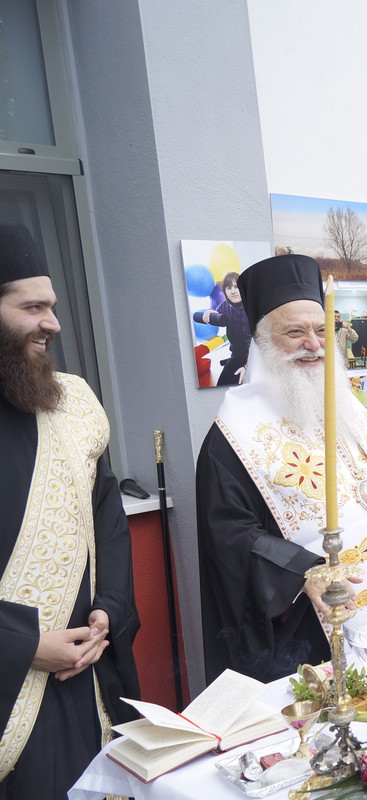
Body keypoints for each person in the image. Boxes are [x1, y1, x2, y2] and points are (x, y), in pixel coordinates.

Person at [195, 254, 367, 684]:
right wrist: (301, 571)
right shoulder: (232, 438)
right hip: (314, 631)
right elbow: (230, 536)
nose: (314, 344)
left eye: (321, 331)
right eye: (295, 332)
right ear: (261, 340)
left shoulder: (347, 407)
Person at [0, 223, 140, 797]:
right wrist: (22, 648)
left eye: (53, 307)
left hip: (85, 669)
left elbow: (107, 520)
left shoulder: (72, 403)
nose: (53, 323)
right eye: (33, 308)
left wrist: (109, 610)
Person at [193, 271, 252, 385]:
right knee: (222, 385)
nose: (233, 291)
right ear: (225, 291)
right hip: (237, 356)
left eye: (236, 287)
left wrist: (247, 366)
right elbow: (216, 313)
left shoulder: (252, 306)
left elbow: (262, 343)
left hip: (257, 357)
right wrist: (209, 312)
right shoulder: (225, 306)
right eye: (229, 288)